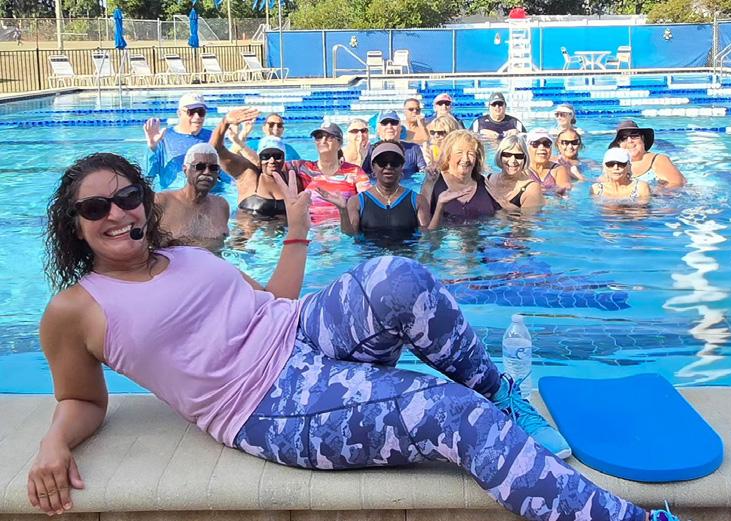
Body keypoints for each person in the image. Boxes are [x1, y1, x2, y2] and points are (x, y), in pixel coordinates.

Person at [29, 151, 682, 521]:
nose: (116, 213)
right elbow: (82, 399)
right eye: (95, 207)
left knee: (400, 276)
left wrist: (296, 228)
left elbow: (272, 304)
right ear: (75, 224)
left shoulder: (183, 253)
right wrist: (53, 443)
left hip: (298, 330)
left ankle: (504, 398)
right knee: (449, 414)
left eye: (126, 197)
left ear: (143, 200)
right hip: (265, 402)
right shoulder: (75, 309)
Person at [210, 108, 307, 220]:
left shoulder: (292, 179)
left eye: (277, 156)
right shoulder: (247, 173)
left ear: (284, 158)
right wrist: (225, 122)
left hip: (282, 230)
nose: (272, 160)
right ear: (259, 157)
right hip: (247, 230)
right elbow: (216, 150)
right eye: (266, 156)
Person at [318, 140, 430, 237]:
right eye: (382, 162)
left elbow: (426, 238)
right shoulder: (356, 202)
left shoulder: (418, 201)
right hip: (369, 255)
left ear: (402, 166)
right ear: (373, 167)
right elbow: (350, 236)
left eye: (394, 162)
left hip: (405, 254)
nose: (388, 166)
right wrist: (343, 210)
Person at [143, 92, 229, 191]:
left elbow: (227, 175)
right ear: (179, 113)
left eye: (201, 112)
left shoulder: (213, 137)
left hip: (210, 195)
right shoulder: (163, 137)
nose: (197, 116)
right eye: (191, 112)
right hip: (174, 195)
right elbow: (149, 175)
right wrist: (152, 147)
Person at [155, 143, 229, 252]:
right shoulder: (162, 202)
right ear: (185, 170)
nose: (207, 172)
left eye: (213, 168)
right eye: (200, 167)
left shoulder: (221, 205)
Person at [422, 130, 501, 228]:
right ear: (448, 155)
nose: (465, 159)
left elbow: (501, 220)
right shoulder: (432, 181)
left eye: (471, 153)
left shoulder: (485, 184)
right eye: (459, 152)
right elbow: (424, 228)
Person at [293, 121, 370, 220]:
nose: (323, 140)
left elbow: (368, 201)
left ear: (339, 144)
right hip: (313, 227)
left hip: (342, 226)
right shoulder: (304, 168)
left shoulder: (354, 171)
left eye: (329, 137)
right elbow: (275, 165)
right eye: (319, 137)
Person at [610, 120, 686, 188]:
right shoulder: (614, 166)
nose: (629, 141)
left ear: (642, 139)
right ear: (619, 144)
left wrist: (651, 194)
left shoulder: (658, 160)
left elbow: (678, 183)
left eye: (634, 136)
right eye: (623, 138)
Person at [362, 112, 426, 181]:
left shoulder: (413, 148)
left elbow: (424, 174)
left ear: (400, 128)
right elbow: (362, 176)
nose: (389, 126)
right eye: (384, 123)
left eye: (394, 122)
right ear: (378, 129)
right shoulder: (370, 150)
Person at [486, 135, 544, 211]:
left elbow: (528, 218)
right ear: (499, 156)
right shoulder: (488, 179)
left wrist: (500, 201)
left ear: (525, 159)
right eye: (507, 155)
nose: (513, 160)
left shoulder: (531, 189)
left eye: (519, 156)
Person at [227, 112, 302, 163]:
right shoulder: (252, 145)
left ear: (283, 129)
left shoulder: (289, 150)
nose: (275, 128)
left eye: (279, 125)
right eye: (271, 124)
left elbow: (300, 170)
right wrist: (244, 133)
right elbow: (230, 159)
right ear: (264, 128)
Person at [525, 129, 572, 195]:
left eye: (546, 144)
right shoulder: (523, 170)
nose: (542, 147)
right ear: (527, 148)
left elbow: (565, 190)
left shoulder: (558, 169)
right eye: (535, 144)